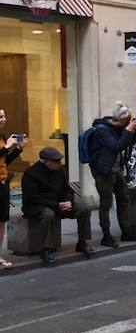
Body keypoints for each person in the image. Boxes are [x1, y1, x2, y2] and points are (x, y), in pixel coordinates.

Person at [21, 147, 93, 265]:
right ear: (46, 161)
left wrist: (68, 202)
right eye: (57, 161)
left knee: (83, 208)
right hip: (36, 206)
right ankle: (46, 249)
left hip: (59, 204)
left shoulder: (60, 171)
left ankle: (82, 242)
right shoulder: (31, 173)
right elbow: (33, 197)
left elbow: (68, 189)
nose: (59, 163)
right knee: (48, 214)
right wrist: (57, 205)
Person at [88, 103, 136, 247]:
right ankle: (106, 235)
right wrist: (129, 130)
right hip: (103, 170)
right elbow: (116, 146)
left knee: (124, 198)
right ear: (120, 120)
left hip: (116, 168)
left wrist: (133, 131)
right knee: (106, 203)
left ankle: (126, 231)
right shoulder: (101, 130)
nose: (129, 122)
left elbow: (127, 143)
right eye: (128, 120)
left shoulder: (118, 128)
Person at [0, 109, 26, 268]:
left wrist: (18, 149)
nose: (4, 119)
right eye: (0, 116)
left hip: (2, 182)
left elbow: (3, 161)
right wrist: (7, 147)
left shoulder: (2, 137)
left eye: (4, 115)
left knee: (2, 221)